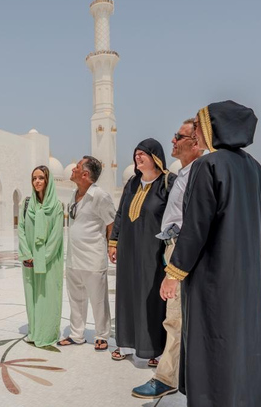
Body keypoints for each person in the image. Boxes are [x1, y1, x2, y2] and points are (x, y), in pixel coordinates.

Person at [161, 101, 261, 407]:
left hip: (213, 276)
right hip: (245, 275)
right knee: (243, 341)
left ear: (215, 127)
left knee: (214, 342)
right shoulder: (254, 167)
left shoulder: (208, 165)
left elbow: (196, 227)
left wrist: (174, 272)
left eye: (199, 126)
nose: (195, 133)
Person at [132, 120, 202, 399]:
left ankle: (167, 377)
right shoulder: (184, 173)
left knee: (174, 317)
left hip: (183, 249)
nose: (172, 141)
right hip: (174, 247)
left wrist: (174, 269)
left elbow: (195, 223)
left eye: (179, 136)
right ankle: (179, 373)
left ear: (196, 142)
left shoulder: (199, 173)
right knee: (178, 316)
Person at [109, 139, 172, 365]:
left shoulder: (167, 182)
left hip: (153, 251)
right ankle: (125, 344)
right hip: (128, 249)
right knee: (127, 294)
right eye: (136, 154)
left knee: (151, 296)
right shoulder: (132, 183)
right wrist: (113, 241)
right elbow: (120, 214)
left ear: (155, 157)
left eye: (142, 153)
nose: (138, 157)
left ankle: (153, 348)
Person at [58, 156, 116, 349]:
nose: (72, 170)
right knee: (76, 298)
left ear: (85, 174)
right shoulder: (74, 194)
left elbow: (111, 223)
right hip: (74, 257)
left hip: (93, 257)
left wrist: (112, 246)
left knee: (98, 300)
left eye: (76, 167)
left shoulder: (99, 196)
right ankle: (76, 334)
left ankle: (102, 335)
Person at [17, 165, 64, 347]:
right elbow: (21, 228)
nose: (37, 181)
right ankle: (34, 331)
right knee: (32, 297)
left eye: (41, 178)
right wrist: (28, 254)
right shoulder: (27, 204)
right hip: (29, 258)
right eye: (34, 178)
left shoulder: (56, 207)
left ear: (48, 181)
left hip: (49, 260)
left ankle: (46, 333)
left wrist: (42, 258)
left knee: (48, 296)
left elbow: (56, 237)